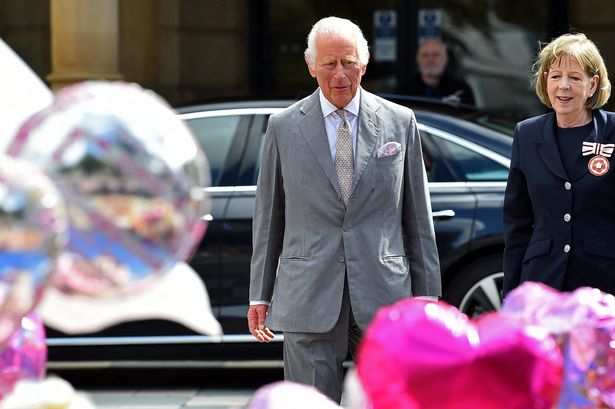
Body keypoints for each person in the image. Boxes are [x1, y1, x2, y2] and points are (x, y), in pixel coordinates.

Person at [247, 16, 441, 404]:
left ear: (364, 65)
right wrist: (259, 294)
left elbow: (418, 217)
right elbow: (270, 217)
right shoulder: (283, 127)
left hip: (384, 290)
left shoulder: (400, 122)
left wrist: (428, 297)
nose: (340, 74)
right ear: (310, 65)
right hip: (308, 290)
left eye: (348, 62)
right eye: (329, 63)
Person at [503, 32, 614, 297]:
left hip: (603, 286)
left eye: (574, 78)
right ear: (545, 81)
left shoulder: (613, 130)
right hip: (542, 285)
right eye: (555, 76)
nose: (563, 86)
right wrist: (511, 295)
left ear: (592, 84)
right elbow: (517, 224)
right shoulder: (527, 134)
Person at [400, 37, 475, 105]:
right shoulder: (405, 93)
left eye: (435, 55)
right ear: (418, 60)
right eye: (425, 55)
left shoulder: (461, 91)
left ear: (445, 59)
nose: (430, 60)